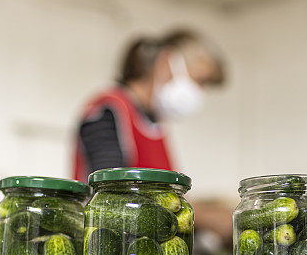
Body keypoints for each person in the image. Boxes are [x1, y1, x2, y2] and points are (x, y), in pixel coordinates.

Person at [72, 29, 226, 180]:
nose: (200, 92)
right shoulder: (109, 111)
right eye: (199, 81)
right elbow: (107, 192)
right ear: (167, 62)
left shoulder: (155, 125)